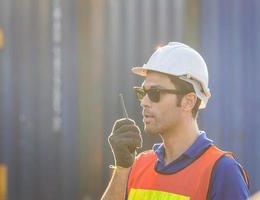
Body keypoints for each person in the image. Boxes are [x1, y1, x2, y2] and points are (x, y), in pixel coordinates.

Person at [101, 42, 250, 200]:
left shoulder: (221, 171)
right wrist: (122, 168)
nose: (143, 102)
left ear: (188, 101)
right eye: (142, 92)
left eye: (154, 92)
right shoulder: (138, 165)